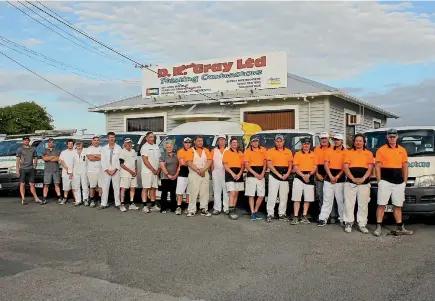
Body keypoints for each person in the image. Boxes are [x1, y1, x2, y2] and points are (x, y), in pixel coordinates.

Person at [374, 129, 413, 236]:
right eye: (390, 136)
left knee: (398, 205)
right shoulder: (381, 150)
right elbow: (377, 166)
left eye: (393, 136)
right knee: (381, 204)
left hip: (399, 183)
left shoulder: (402, 150)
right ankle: (378, 226)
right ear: (387, 137)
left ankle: (400, 227)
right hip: (385, 182)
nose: (392, 138)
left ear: (397, 137)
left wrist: (404, 182)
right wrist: (379, 181)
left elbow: (404, 167)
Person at [342, 134, 374, 234]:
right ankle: (348, 223)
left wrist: (363, 178)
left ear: (364, 142)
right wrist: (353, 178)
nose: (358, 142)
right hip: (351, 183)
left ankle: (362, 224)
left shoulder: (369, 153)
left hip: (364, 184)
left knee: (363, 205)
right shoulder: (348, 153)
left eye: (360, 141)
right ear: (354, 142)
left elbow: (370, 168)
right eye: (356, 141)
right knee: (349, 204)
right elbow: (346, 167)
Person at [318, 134, 347, 227]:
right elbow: (326, 164)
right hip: (329, 178)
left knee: (341, 200)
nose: (336, 141)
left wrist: (338, 176)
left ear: (342, 141)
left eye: (338, 140)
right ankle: (323, 218)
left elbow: (345, 166)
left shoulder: (347, 152)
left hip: (341, 178)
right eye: (335, 140)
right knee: (327, 199)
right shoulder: (329, 150)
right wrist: (330, 176)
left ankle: (343, 219)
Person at [266, 134, 293, 223]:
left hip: (285, 176)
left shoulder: (288, 151)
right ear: (275, 142)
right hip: (274, 175)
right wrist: (278, 174)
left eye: (280, 141)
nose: (279, 143)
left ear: (283, 142)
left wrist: (287, 174)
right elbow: (269, 164)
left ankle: (282, 214)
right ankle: (270, 214)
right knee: (272, 196)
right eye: (277, 141)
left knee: (283, 196)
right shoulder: (270, 151)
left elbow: (290, 164)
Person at [291, 137, 317, 225]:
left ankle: (304, 216)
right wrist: (303, 175)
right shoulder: (297, 154)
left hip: (310, 177)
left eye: (308, 144)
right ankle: (295, 216)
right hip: (299, 177)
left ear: (310, 145)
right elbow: (295, 166)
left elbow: (315, 166)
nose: (306, 145)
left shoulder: (314, 154)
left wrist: (309, 175)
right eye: (304, 144)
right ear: (302, 145)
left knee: (308, 199)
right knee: (296, 198)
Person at [185, 136, 212, 217]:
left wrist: (203, 170)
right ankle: (192, 210)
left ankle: (204, 209)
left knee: (204, 192)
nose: (200, 142)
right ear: (194, 142)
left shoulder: (206, 150)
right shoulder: (190, 150)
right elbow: (189, 162)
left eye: (202, 141)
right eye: (199, 141)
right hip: (194, 174)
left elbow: (210, 160)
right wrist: (198, 170)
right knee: (193, 192)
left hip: (204, 173)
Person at [244, 135, 267, 221]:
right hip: (251, 175)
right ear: (251, 142)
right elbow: (247, 165)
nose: (255, 143)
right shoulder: (247, 151)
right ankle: (252, 212)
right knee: (251, 195)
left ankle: (256, 211)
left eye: (256, 141)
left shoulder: (263, 150)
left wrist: (262, 173)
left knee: (261, 195)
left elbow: (265, 163)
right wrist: (255, 174)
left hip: (261, 174)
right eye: (253, 141)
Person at [314, 132, 334, 221]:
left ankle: (332, 215)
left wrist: (330, 175)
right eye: (322, 139)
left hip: (330, 174)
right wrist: (317, 174)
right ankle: (323, 216)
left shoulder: (333, 148)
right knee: (321, 195)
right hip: (319, 174)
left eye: (325, 138)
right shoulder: (316, 149)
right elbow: (314, 163)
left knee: (330, 196)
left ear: (328, 139)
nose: (324, 140)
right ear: (319, 140)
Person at [223, 137, 244, 220]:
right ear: (230, 144)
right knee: (232, 193)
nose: (235, 144)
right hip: (230, 174)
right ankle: (231, 211)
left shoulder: (241, 153)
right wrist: (232, 173)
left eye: (236, 142)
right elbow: (225, 164)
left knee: (236, 193)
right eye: (233, 142)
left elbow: (243, 165)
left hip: (239, 174)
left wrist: (239, 174)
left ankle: (233, 209)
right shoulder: (227, 152)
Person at [99, 132, 122, 210]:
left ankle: (118, 203)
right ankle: (103, 203)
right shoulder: (103, 148)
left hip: (116, 170)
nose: (112, 138)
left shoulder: (119, 148)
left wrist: (115, 169)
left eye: (113, 137)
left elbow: (120, 160)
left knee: (116, 187)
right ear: (108, 138)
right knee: (105, 187)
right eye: (110, 137)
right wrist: (107, 170)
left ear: (114, 138)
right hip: (106, 171)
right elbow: (102, 160)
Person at [16, 136, 41, 205]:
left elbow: (35, 157)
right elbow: (18, 160)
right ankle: (23, 199)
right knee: (22, 184)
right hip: (23, 169)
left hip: (31, 169)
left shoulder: (33, 148)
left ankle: (36, 198)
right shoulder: (19, 149)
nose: (26, 141)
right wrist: (17, 170)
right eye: (25, 140)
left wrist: (35, 166)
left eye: (27, 140)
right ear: (23, 141)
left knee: (32, 184)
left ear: (29, 141)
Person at [140, 132, 161, 213]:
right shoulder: (144, 147)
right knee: (145, 188)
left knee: (153, 188)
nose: (152, 138)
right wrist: (152, 169)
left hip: (155, 172)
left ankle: (153, 205)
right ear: (147, 138)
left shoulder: (156, 146)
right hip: (147, 172)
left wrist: (158, 169)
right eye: (150, 137)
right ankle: (144, 206)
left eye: (153, 137)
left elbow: (159, 158)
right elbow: (145, 160)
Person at [211, 135, 229, 215]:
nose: (221, 141)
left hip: (226, 172)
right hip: (216, 172)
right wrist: (212, 171)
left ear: (225, 141)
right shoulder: (214, 150)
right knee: (216, 190)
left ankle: (226, 208)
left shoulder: (229, 150)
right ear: (218, 141)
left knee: (226, 191)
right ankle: (217, 208)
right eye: (220, 140)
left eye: (223, 140)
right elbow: (211, 161)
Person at [119, 138, 139, 212]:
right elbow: (121, 164)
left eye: (130, 143)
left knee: (132, 188)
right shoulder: (122, 152)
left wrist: (136, 170)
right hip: (125, 174)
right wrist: (131, 171)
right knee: (123, 189)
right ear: (125, 144)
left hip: (133, 174)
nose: (129, 144)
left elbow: (135, 162)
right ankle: (122, 204)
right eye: (127, 143)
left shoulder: (133, 151)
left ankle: (131, 204)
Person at [159, 140, 179, 213]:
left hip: (174, 177)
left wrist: (176, 175)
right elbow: (162, 166)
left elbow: (178, 166)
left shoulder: (176, 155)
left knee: (173, 193)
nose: (168, 148)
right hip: (165, 177)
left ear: (173, 147)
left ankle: (173, 208)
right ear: (165, 148)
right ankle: (163, 208)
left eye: (170, 147)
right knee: (164, 193)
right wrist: (168, 175)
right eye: (167, 147)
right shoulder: (163, 155)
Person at [42, 138, 62, 203]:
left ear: (54, 143)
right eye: (49, 142)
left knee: (57, 184)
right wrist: (53, 157)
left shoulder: (57, 150)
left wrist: (49, 158)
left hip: (55, 170)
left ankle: (59, 197)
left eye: (52, 142)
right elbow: (44, 158)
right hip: (47, 170)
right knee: (46, 185)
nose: (51, 143)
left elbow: (57, 159)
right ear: (48, 143)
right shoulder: (44, 150)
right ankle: (44, 198)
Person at [175, 137, 192, 215]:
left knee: (189, 192)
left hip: (191, 173)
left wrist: (188, 163)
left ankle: (188, 207)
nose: (187, 144)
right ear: (183, 143)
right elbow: (182, 163)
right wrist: (190, 163)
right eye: (186, 142)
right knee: (180, 191)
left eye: (189, 142)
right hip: (182, 174)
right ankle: (179, 207)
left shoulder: (193, 151)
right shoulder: (180, 151)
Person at [86, 136, 103, 208]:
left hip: (101, 170)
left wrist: (94, 155)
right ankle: (92, 200)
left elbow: (103, 157)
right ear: (92, 141)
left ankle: (100, 200)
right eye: (94, 140)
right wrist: (98, 156)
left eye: (97, 140)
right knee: (92, 186)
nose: (96, 141)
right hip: (91, 170)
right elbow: (90, 158)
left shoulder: (102, 149)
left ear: (99, 141)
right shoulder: (89, 149)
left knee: (100, 186)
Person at [72, 141, 89, 206]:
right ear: (76, 145)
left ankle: (85, 199)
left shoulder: (86, 151)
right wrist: (71, 172)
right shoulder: (73, 152)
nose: (78, 145)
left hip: (84, 170)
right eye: (77, 144)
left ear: (82, 144)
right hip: (75, 171)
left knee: (85, 186)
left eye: (80, 144)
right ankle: (78, 200)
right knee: (76, 186)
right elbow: (71, 163)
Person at [59, 139, 76, 205]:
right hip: (65, 172)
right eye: (69, 144)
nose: (70, 145)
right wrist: (68, 170)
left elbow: (77, 163)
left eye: (71, 144)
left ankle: (76, 199)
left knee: (74, 187)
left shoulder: (76, 152)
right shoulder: (63, 152)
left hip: (74, 173)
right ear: (67, 144)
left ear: (73, 144)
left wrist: (72, 171)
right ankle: (65, 199)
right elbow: (62, 161)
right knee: (66, 187)